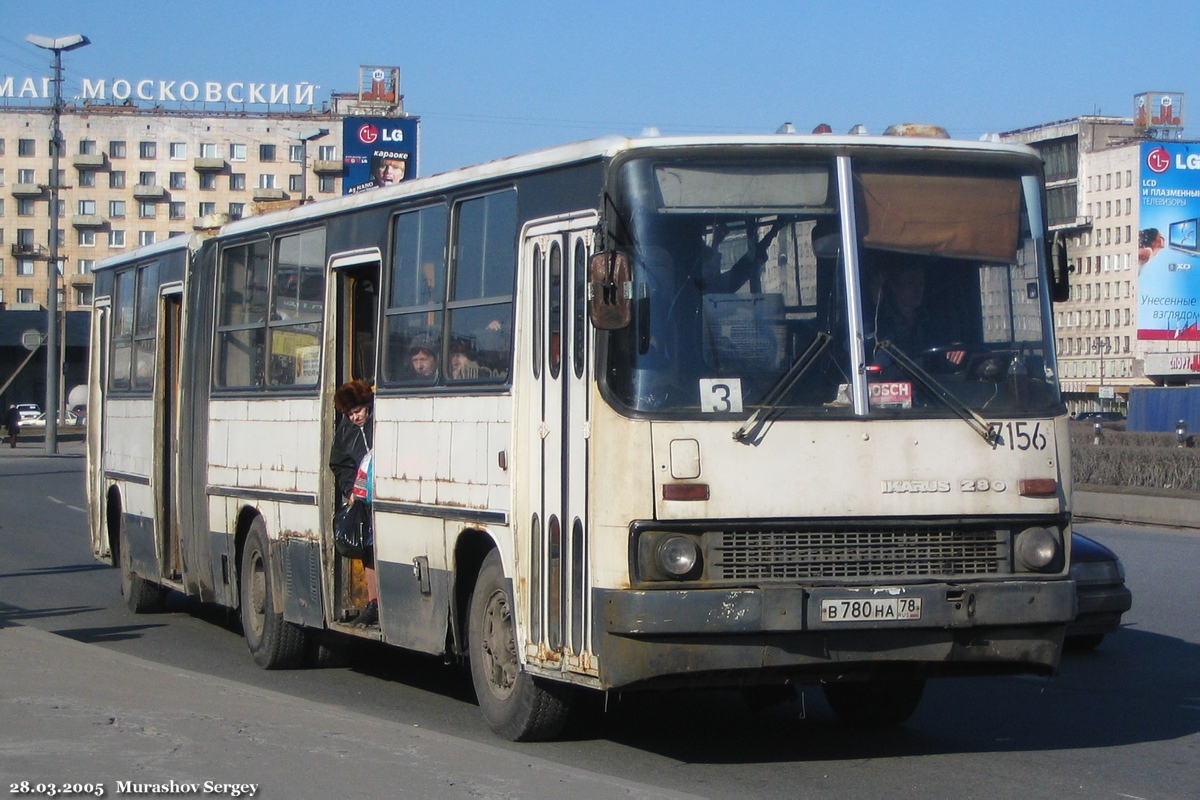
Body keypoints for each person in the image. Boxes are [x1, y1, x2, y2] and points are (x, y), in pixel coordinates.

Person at [329, 380, 377, 626]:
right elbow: (339, 463)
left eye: (358, 410)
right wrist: (350, 490)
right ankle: (374, 602)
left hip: (385, 495)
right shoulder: (346, 431)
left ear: (366, 405)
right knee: (368, 549)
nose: (355, 417)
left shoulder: (380, 420)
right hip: (363, 501)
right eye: (350, 413)